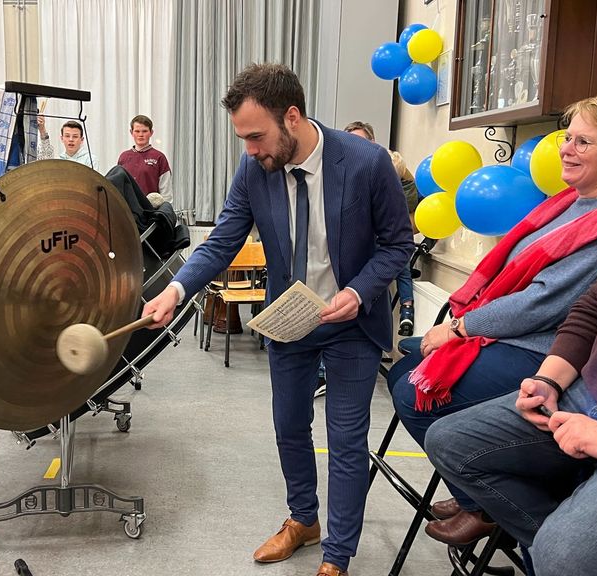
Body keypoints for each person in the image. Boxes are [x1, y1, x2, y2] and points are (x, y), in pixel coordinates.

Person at [425, 35, 597, 576]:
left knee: (565, 553)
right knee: (450, 441)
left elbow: (543, 301)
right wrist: (550, 379)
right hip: (588, 397)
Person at [143, 63, 414, 576]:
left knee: (346, 440)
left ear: (292, 117)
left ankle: (337, 555)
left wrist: (360, 291)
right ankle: (303, 520)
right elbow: (223, 240)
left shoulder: (366, 162)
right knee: (289, 427)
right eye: (243, 139)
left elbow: (398, 244)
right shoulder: (255, 169)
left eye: (256, 136)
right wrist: (175, 290)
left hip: (351, 323)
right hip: (290, 321)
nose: (249, 150)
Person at [385, 92, 597, 547]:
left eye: (583, 142)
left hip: (547, 354)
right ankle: (479, 489)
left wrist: (460, 328)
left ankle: (486, 507)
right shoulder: (571, 201)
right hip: (515, 337)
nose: (566, 149)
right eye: (567, 138)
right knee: (402, 369)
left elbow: (541, 303)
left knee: (414, 393)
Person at [344, 120, 419, 335]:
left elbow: (408, 204)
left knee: (396, 266)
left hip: (385, 239)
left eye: (361, 141)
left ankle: (405, 310)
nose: (355, 147)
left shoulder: (387, 166)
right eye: (350, 141)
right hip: (354, 248)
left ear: (373, 143)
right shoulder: (340, 173)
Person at [116, 114, 172, 203]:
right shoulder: (124, 157)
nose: (141, 135)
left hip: (150, 208)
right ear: (131, 132)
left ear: (151, 132)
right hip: (128, 208)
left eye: (144, 131)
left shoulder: (159, 157)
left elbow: (166, 191)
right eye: (137, 131)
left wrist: (165, 208)